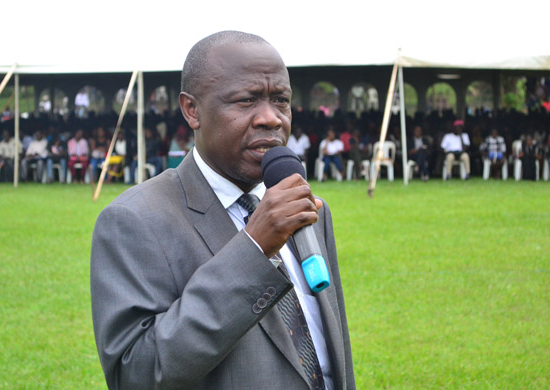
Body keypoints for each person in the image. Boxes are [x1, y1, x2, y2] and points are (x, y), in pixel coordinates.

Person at [91, 31, 355, 390]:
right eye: (246, 101)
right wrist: (253, 248)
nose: (271, 118)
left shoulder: (309, 210)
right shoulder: (134, 220)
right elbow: (136, 374)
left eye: (280, 100)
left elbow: (332, 357)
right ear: (192, 110)